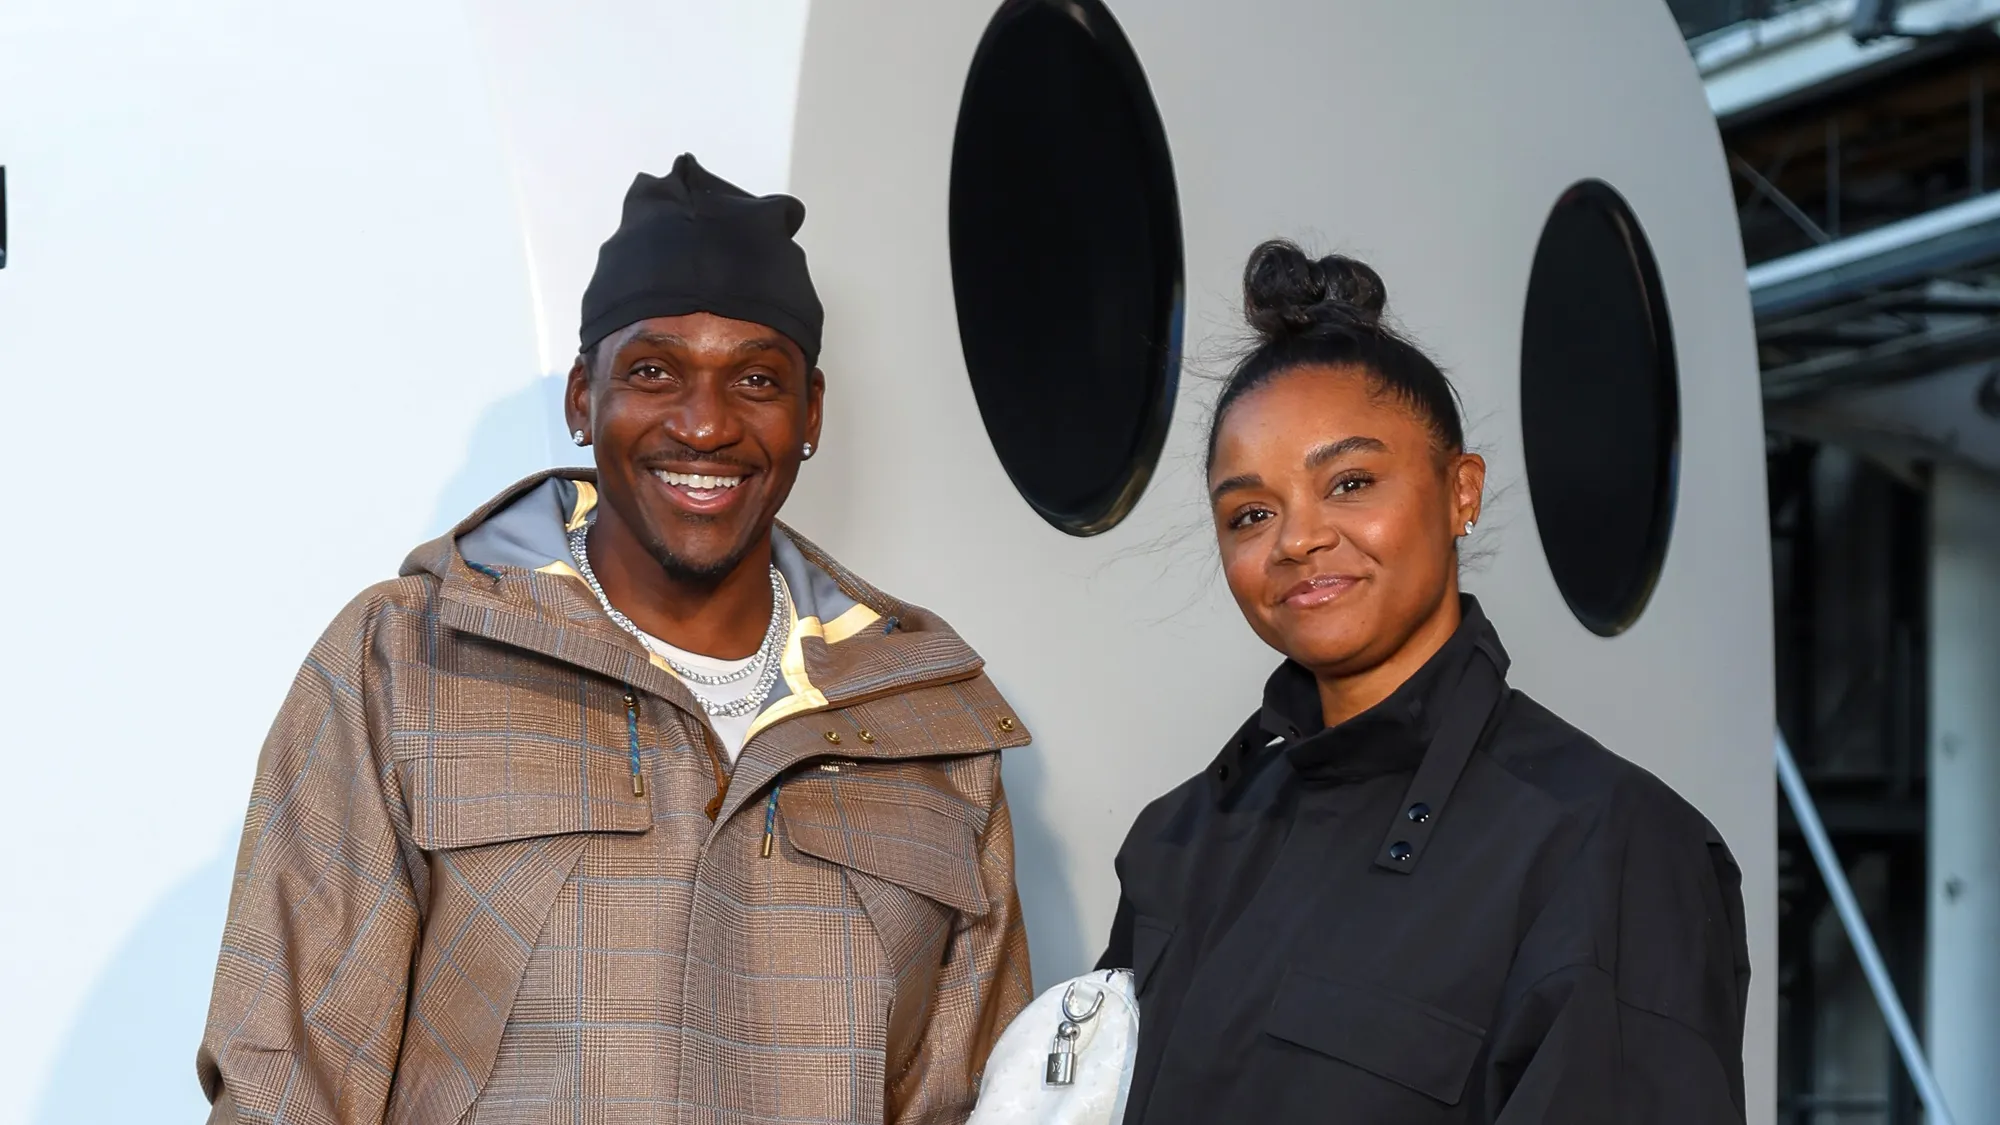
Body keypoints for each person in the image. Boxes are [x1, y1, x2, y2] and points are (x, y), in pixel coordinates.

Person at [198, 154, 1033, 1125]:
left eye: (755, 379)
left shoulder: (928, 723)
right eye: (653, 371)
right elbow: (288, 1082)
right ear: (581, 398)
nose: (705, 424)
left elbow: (985, 1102)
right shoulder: (404, 659)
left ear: (809, 411)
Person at [1097, 240, 1751, 1123]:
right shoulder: (1179, 839)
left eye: (1350, 482)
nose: (1297, 539)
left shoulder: (1611, 844)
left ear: (1460, 492)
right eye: (1250, 512)